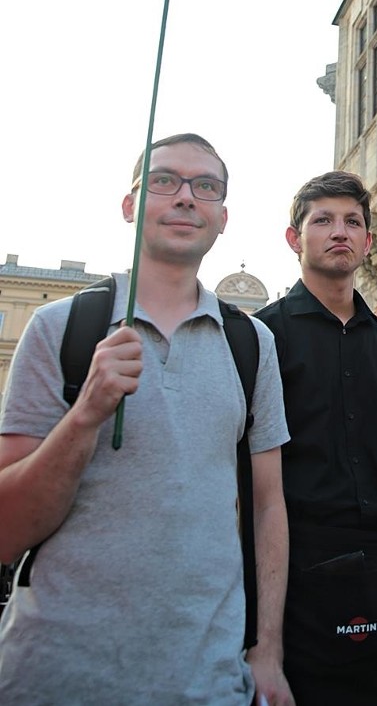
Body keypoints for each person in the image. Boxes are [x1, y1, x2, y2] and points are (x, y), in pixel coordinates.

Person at [0, 133, 293, 706]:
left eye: (205, 186)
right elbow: (8, 529)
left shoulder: (252, 343)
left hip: (206, 681)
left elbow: (267, 505)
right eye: (164, 180)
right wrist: (85, 414)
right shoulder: (60, 328)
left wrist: (267, 651)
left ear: (223, 216)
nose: (186, 197)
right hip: (53, 677)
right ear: (130, 205)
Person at [256, 170, 377, 706]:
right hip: (300, 572)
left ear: (368, 241)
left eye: (352, 221)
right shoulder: (261, 338)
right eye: (322, 220)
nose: (340, 232)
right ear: (295, 238)